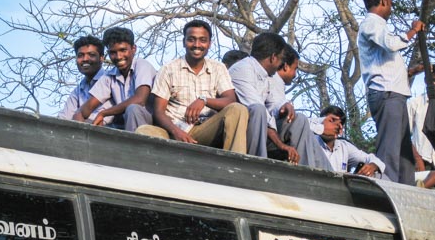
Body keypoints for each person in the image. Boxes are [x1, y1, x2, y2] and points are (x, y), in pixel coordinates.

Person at [135, 20, 248, 153]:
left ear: (209, 43)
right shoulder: (168, 69)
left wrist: (204, 100)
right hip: (174, 130)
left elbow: (230, 100)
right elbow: (159, 111)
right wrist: (176, 132)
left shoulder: (218, 68)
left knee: (238, 109)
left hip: (205, 129)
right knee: (143, 131)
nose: (197, 45)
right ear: (184, 42)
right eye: (191, 40)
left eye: (202, 40)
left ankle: (235, 166)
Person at [357, 0, 425, 185]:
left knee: (403, 150)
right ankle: (386, 187)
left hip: (395, 94)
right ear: (384, 1)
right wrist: (413, 31)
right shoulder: (372, 23)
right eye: (391, 4)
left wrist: (411, 72)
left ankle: (406, 188)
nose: (391, 9)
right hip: (387, 94)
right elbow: (392, 44)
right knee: (390, 148)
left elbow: (383, 63)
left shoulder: (378, 26)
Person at [229, 34, 329, 169]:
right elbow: (258, 109)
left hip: (264, 131)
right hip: (243, 131)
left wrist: (284, 106)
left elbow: (273, 104)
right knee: (258, 110)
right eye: (280, 60)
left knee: (299, 119)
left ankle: (307, 172)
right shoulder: (242, 69)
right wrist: (281, 145)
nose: (280, 66)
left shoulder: (266, 75)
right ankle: (258, 167)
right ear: (273, 57)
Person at [73, 27, 157, 131]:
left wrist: (104, 113)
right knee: (92, 123)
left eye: (123, 50)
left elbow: (140, 100)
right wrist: (80, 124)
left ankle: (135, 146)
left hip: (148, 124)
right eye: (113, 52)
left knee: (133, 109)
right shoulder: (109, 76)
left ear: (133, 49)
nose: (118, 56)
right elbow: (83, 110)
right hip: (124, 125)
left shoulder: (142, 65)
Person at [316, 105, 386, 178]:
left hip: (338, 188)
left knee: (379, 176)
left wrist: (372, 166)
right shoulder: (309, 142)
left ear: (340, 130)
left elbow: (372, 159)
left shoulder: (344, 147)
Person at [58, 35, 114, 125]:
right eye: (80, 55)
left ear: (101, 58)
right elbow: (63, 118)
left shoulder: (111, 80)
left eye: (91, 55)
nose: (85, 59)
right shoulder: (78, 91)